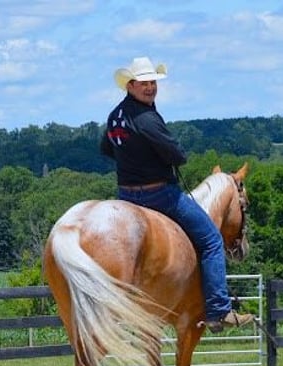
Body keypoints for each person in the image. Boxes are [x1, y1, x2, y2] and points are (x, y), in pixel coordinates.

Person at [99, 56, 253, 333]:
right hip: (159, 195)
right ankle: (219, 310)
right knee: (211, 241)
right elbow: (177, 155)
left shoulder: (115, 116)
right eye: (144, 83)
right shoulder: (147, 118)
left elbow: (107, 148)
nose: (150, 88)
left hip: (125, 196)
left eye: (153, 83)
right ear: (130, 85)